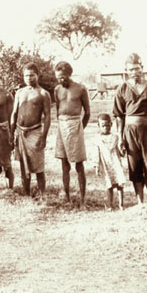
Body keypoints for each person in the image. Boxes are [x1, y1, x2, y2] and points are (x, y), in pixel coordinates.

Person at [113, 53, 147, 206]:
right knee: (134, 165)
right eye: (130, 69)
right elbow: (119, 116)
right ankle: (140, 201)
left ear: (142, 68)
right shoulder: (122, 88)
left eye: (137, 69)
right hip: (130, 132)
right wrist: (120, 138)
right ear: (126, 70)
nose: (134, 72)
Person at [10, 63, 52, 198]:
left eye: (32, 75)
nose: (29, 78)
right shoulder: (19, 92)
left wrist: (43, 137)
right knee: (24, 166)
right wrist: (11, 133)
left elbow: (47, 117)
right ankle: (27, 194)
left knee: (39, 167)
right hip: (20, 132)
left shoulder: (43, 93)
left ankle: (42, 195)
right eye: (26, 75)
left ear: (37, 76)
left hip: (35, 132)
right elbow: (14, 113)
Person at [54, 61, 91, 208]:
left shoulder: (81, 89)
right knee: (64, 163)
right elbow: (58, 110)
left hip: (76, 125)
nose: (61, 80)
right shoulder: (57, 89)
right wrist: (62, 123)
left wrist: (80, 128)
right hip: (62, 125)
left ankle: (82, 199)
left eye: (63, 77)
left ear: (69, 74)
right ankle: (67, 197)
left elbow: (87, 112)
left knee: (79, 164)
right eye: (58, 77)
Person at [95, 113, 126, 210]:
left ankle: (121, 204)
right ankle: (109, 205)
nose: (105, 127)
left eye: (107, 125)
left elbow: (120, 151)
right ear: (99, 126)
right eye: (102, 126)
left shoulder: (115, 137)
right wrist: (96, 166)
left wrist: (123, 150)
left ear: (111, 124)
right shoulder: (98, 139)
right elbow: (97, 153)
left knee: (120, 184)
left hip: (116, 163)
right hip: (106, 164)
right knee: (109, 185)